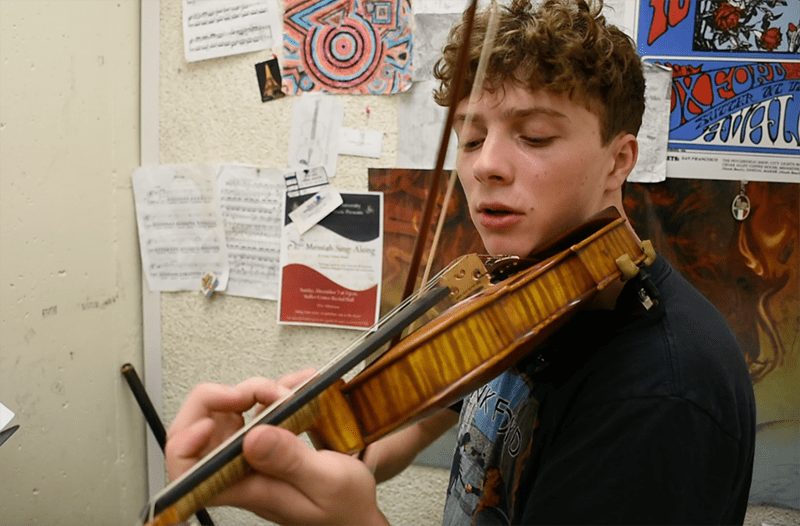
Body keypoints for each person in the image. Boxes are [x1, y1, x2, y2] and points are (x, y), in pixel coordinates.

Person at [164, 0, 756, 524]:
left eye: (536, 136)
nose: (484, 166)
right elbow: (398, 433)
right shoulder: (525, 293)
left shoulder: (661, 397)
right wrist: (317, 435)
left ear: (618, 159)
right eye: (471, 139)